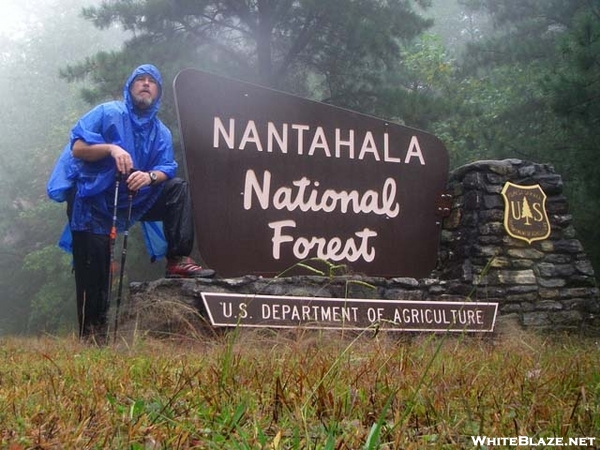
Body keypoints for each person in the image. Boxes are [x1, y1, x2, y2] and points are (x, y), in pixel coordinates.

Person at [47, 64, 215, 341]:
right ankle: (93, 339)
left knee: (177, 188)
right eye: (140, 80)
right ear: (130, 86)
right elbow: (77, 148)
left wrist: (149, 177)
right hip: (91, 198)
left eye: (152, 81)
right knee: (96, 272)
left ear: (158, 91)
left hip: (135, 195)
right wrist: (112, 148)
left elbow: (167, 167)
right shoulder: (108, 112)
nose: (146, 84)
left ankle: (178, 259)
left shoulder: (160, 131)